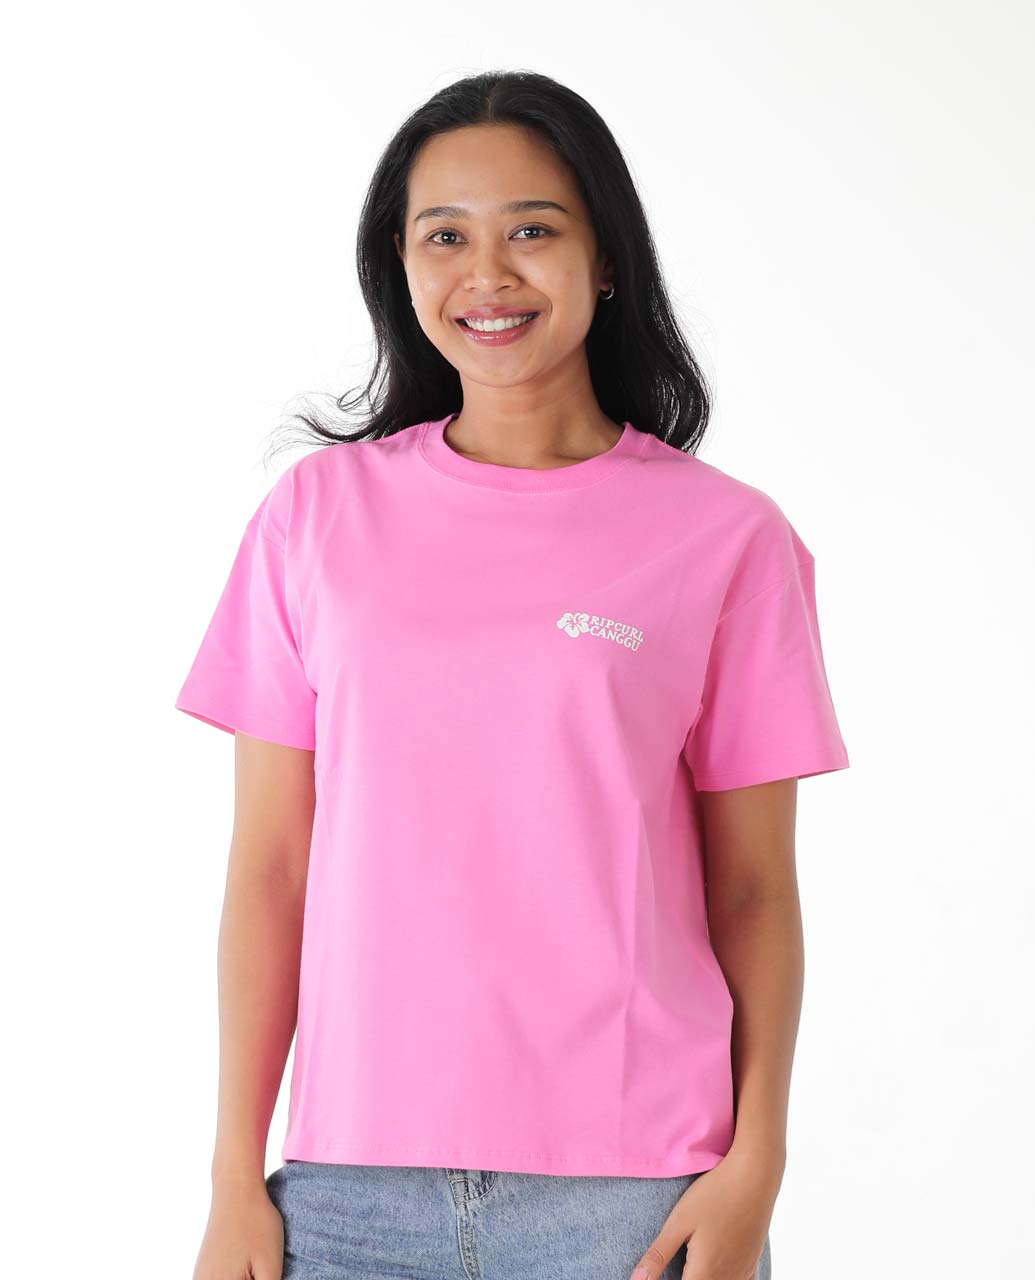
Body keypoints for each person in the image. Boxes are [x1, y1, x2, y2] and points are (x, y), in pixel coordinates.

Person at [175, 70, 850, 1280]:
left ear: (606, 258)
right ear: (401, 264)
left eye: (532, 229)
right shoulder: (314, 520)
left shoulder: (724, 539)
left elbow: (755, 890)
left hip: (639, 1198)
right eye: (446, 236)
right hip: (347, 1199)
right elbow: (272, 866)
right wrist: (234, 1176)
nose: (487, 274)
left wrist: (757, 1162)